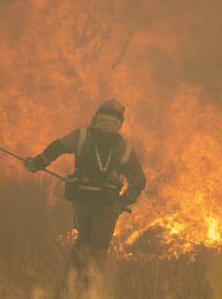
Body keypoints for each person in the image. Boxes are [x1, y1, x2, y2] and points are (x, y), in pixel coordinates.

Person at [24, 99, 147, 290]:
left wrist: (37, 163)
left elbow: (57, 147)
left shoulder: (82, 135)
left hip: (81, 203)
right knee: (98, 247)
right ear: (120, 122)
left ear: (97, 116)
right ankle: (92, 291)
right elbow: (139, 181)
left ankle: (67, 288)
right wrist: (123, 201)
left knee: (83, 242)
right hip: (107, 207)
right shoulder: (124, 148)